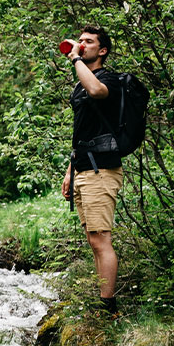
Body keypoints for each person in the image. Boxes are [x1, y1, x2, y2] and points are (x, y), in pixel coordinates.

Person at [61, 26, 123, 315]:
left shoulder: (107, 79)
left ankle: (108, 307)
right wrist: (69, 171)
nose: (82, 45)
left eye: (89, 42)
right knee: (93, 240)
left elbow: (97, 90)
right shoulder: (80, 84)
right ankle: (103, 301)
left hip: (102, 171)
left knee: (101, 239)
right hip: (83, 168)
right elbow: (81, 132)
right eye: (80, 41)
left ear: (103, 51)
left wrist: (75, 60)